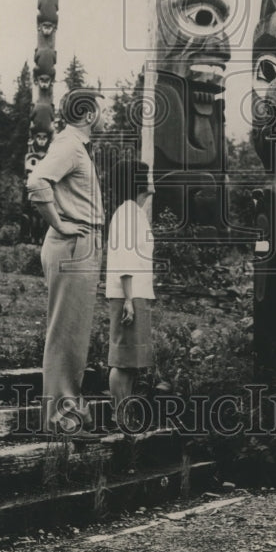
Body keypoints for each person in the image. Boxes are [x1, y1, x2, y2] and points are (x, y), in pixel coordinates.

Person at [26, 88, 105, 438]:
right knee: (66, 332)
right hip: (73, 244)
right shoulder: (69, 144)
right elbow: (36, 181)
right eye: (99, 111)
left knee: (75, 332)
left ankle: (69, 411)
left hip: (81, 245)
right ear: (89, 115)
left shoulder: (75, 146)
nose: (101, 116)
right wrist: (58, 223)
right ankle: (60, 420)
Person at [105, 156, 155, 427]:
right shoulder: (126, 212)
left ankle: (125, 414)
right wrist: (127, 299)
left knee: (133, 361)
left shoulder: (135, 212)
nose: (152, 180)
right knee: (123, 360)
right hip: (128, 295)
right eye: (147, 175)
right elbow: (124, 258)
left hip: (138, 294)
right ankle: (119, 415)